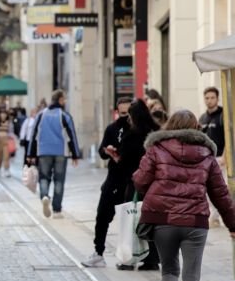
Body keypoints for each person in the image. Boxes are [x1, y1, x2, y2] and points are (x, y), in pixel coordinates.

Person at [132, 110, 235, 281]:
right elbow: (220, 194)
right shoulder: (207, 154)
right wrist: (232, 224)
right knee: (192, 278)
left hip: (163, 219)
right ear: (196, 128)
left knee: (168, 270)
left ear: (170, 125)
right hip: (195, 222)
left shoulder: (156, 148)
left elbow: (140, 181)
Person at [106, 99, 160, 271]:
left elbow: (124, 165)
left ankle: (129, 259)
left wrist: (115, 156)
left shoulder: (131, 136)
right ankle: (152, 259)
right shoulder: (156, 133)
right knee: (152, 222)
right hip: (154, 186)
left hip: (136, 185)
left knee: (131, 221)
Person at [82, 97, 132, 267]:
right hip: (114, 178)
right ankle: (98, 252)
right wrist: (108, 151)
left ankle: (130, 255)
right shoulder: (112, 128)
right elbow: (102, 151)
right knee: (102, 214)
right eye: (122, 113)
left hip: (131, 179)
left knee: (130, 218)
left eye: (129, 112)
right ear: (117, 112)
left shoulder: (137, 130)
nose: (125, 116)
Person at [27, 89, 81, 219]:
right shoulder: (64, 115)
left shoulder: (41, 115)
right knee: (59, 180)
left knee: (44, 178)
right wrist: (75, 154)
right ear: (60, 100)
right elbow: (72, 135)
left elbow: (33, 134)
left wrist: (30, 153)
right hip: (60, 152)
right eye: (64, 99)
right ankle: (57, 210)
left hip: (44, 151)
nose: (65, 101)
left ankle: (45, 196)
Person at [199, 87, 226, 227]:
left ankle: (223, 217)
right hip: (206, 160)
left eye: (212, 97)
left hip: (221, 159)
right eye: (207, 98)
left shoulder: (223, 114)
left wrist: (225, 157)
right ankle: (213, 217)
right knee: (209, 190)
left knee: (223, 189)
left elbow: (230, 137)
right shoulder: (203, 118)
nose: (209, 100)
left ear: (217, 98)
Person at [0, 107, 15, 177]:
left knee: (6, 156)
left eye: (4, 114)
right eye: (2, 114)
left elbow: (11, 132)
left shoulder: (9, 123)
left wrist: (9, 136)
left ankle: (6, 169)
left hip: (6, 141)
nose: (3, 115)